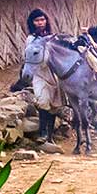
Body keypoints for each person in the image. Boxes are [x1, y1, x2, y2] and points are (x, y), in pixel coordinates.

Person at [22, 8, 63, 143]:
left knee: (54, 104)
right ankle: (43, 133)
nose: (40, 23)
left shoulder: (53, 38)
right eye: (37, 20)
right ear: (32, 22)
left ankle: (50, 136)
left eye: (42, 19)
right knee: (42, 101)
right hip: (39, 74)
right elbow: (29, 57)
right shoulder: (31, 39)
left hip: (53, 74)